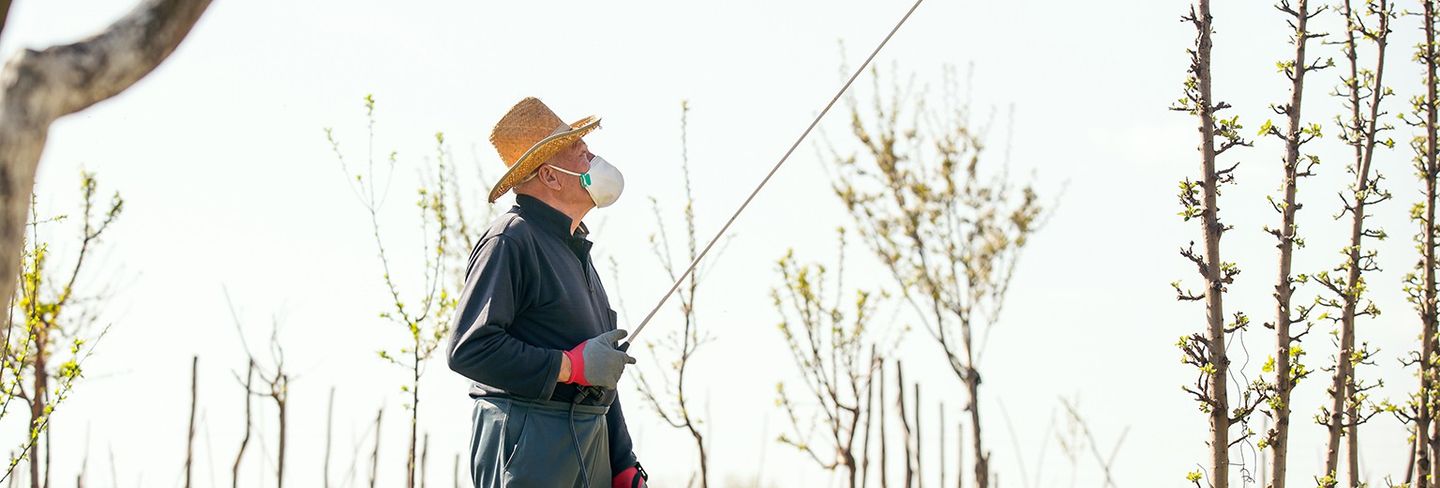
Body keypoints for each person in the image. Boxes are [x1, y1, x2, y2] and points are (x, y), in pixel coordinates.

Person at [448, 97, 647, 487]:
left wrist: (622, 462)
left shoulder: (575, 250)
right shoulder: (511, 239)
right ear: (551, 176)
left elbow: (600, 370)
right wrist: (568, 366)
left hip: (590, 441)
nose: (593, 157)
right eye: (580, 152)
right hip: (529, 439)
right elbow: (469, 348)